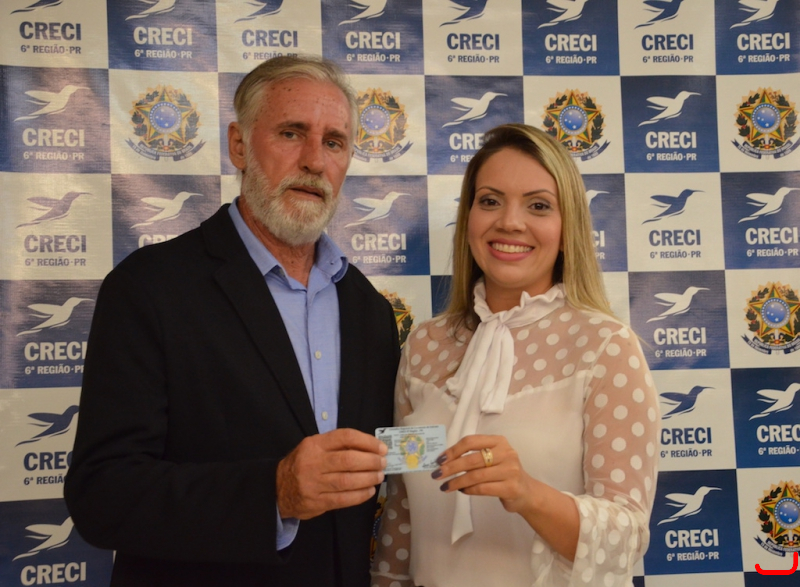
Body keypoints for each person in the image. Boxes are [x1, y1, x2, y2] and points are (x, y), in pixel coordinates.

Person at [64, 55, 400, 587]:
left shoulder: (370, 310)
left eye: (334, 142)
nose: (315, 160)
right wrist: (275, 493)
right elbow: (102, 494)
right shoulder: (149, 287)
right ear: (239, 145)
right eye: (292, 133)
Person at [371, 124, 659, 587]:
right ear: (468, 218)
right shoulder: (424, 345)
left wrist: (528, 493)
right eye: (490, 201)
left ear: (567, 229)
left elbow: (625, 542)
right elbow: (402, 514)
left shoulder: (606, 346)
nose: (509, 221)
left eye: (538, 205)